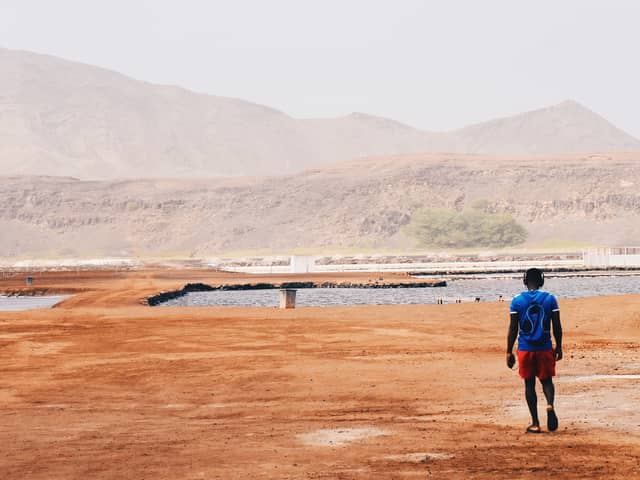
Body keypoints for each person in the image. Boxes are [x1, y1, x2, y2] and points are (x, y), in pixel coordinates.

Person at [506, 268, 563, 433]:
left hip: (525, 349)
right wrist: (558, 346)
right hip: (545, 347)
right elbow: (557, 326)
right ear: (541, 281)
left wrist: (509, 351)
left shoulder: (517, 301)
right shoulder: (550, 299)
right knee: (547, 382)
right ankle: (550, 405)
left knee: (529, 385)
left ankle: (536, 423)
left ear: (525, 281)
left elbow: (513, 328)